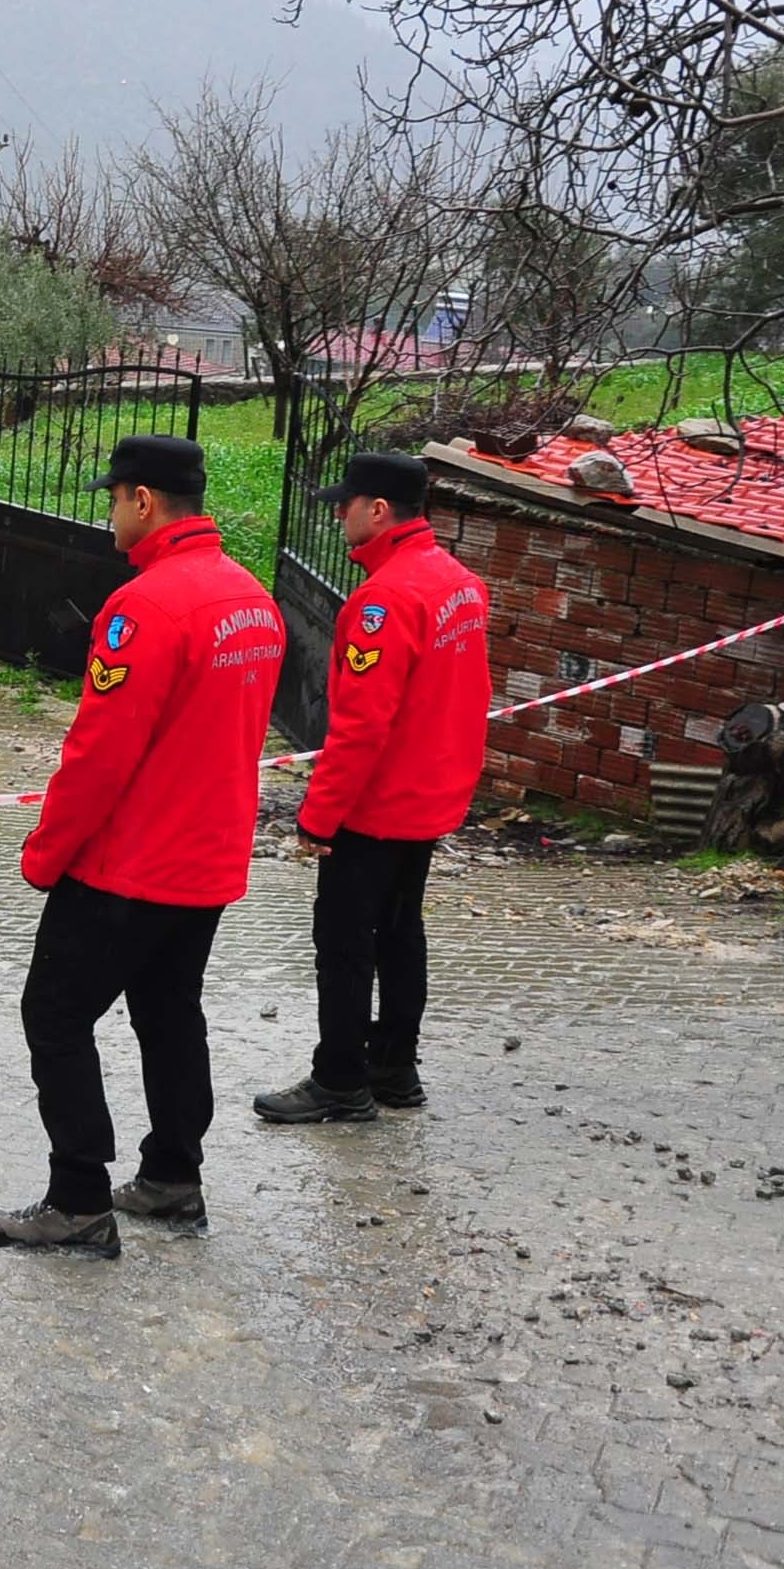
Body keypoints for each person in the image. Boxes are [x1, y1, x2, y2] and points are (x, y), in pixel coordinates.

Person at [0, 436, 286, 1257]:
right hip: (208, 857)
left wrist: (46, 852)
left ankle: (78, 1197)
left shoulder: (143, 606)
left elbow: (99, 754)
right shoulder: (252, 598)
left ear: (143, 501)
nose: (110, 513)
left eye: (114, 498)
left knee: (54, 1013)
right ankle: (173, 1175)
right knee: (169, 1011)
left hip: (131, 863)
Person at [255, 450, 490, 1125]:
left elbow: (360, 727)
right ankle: (394, 1066)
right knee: (400, 932)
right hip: (429, 798)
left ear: (379, 510)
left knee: (344, 942)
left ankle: (339, 1079)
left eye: (346, 503)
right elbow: (470, 694)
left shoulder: (384, 600)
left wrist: (318, 815)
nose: (338, 514)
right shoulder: (460, 583)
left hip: (378, 804)